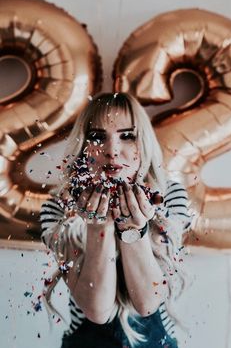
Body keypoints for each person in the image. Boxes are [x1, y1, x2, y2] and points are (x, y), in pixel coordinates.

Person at [40, 92, 192, 348]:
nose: (112, 151)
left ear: (142, 143)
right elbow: (97, 310)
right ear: (83, 146)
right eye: (98, 137)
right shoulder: (58, 207)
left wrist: (134, 230)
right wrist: (98, 228)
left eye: (127, 136)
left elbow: (147, 303)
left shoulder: (168, 196)